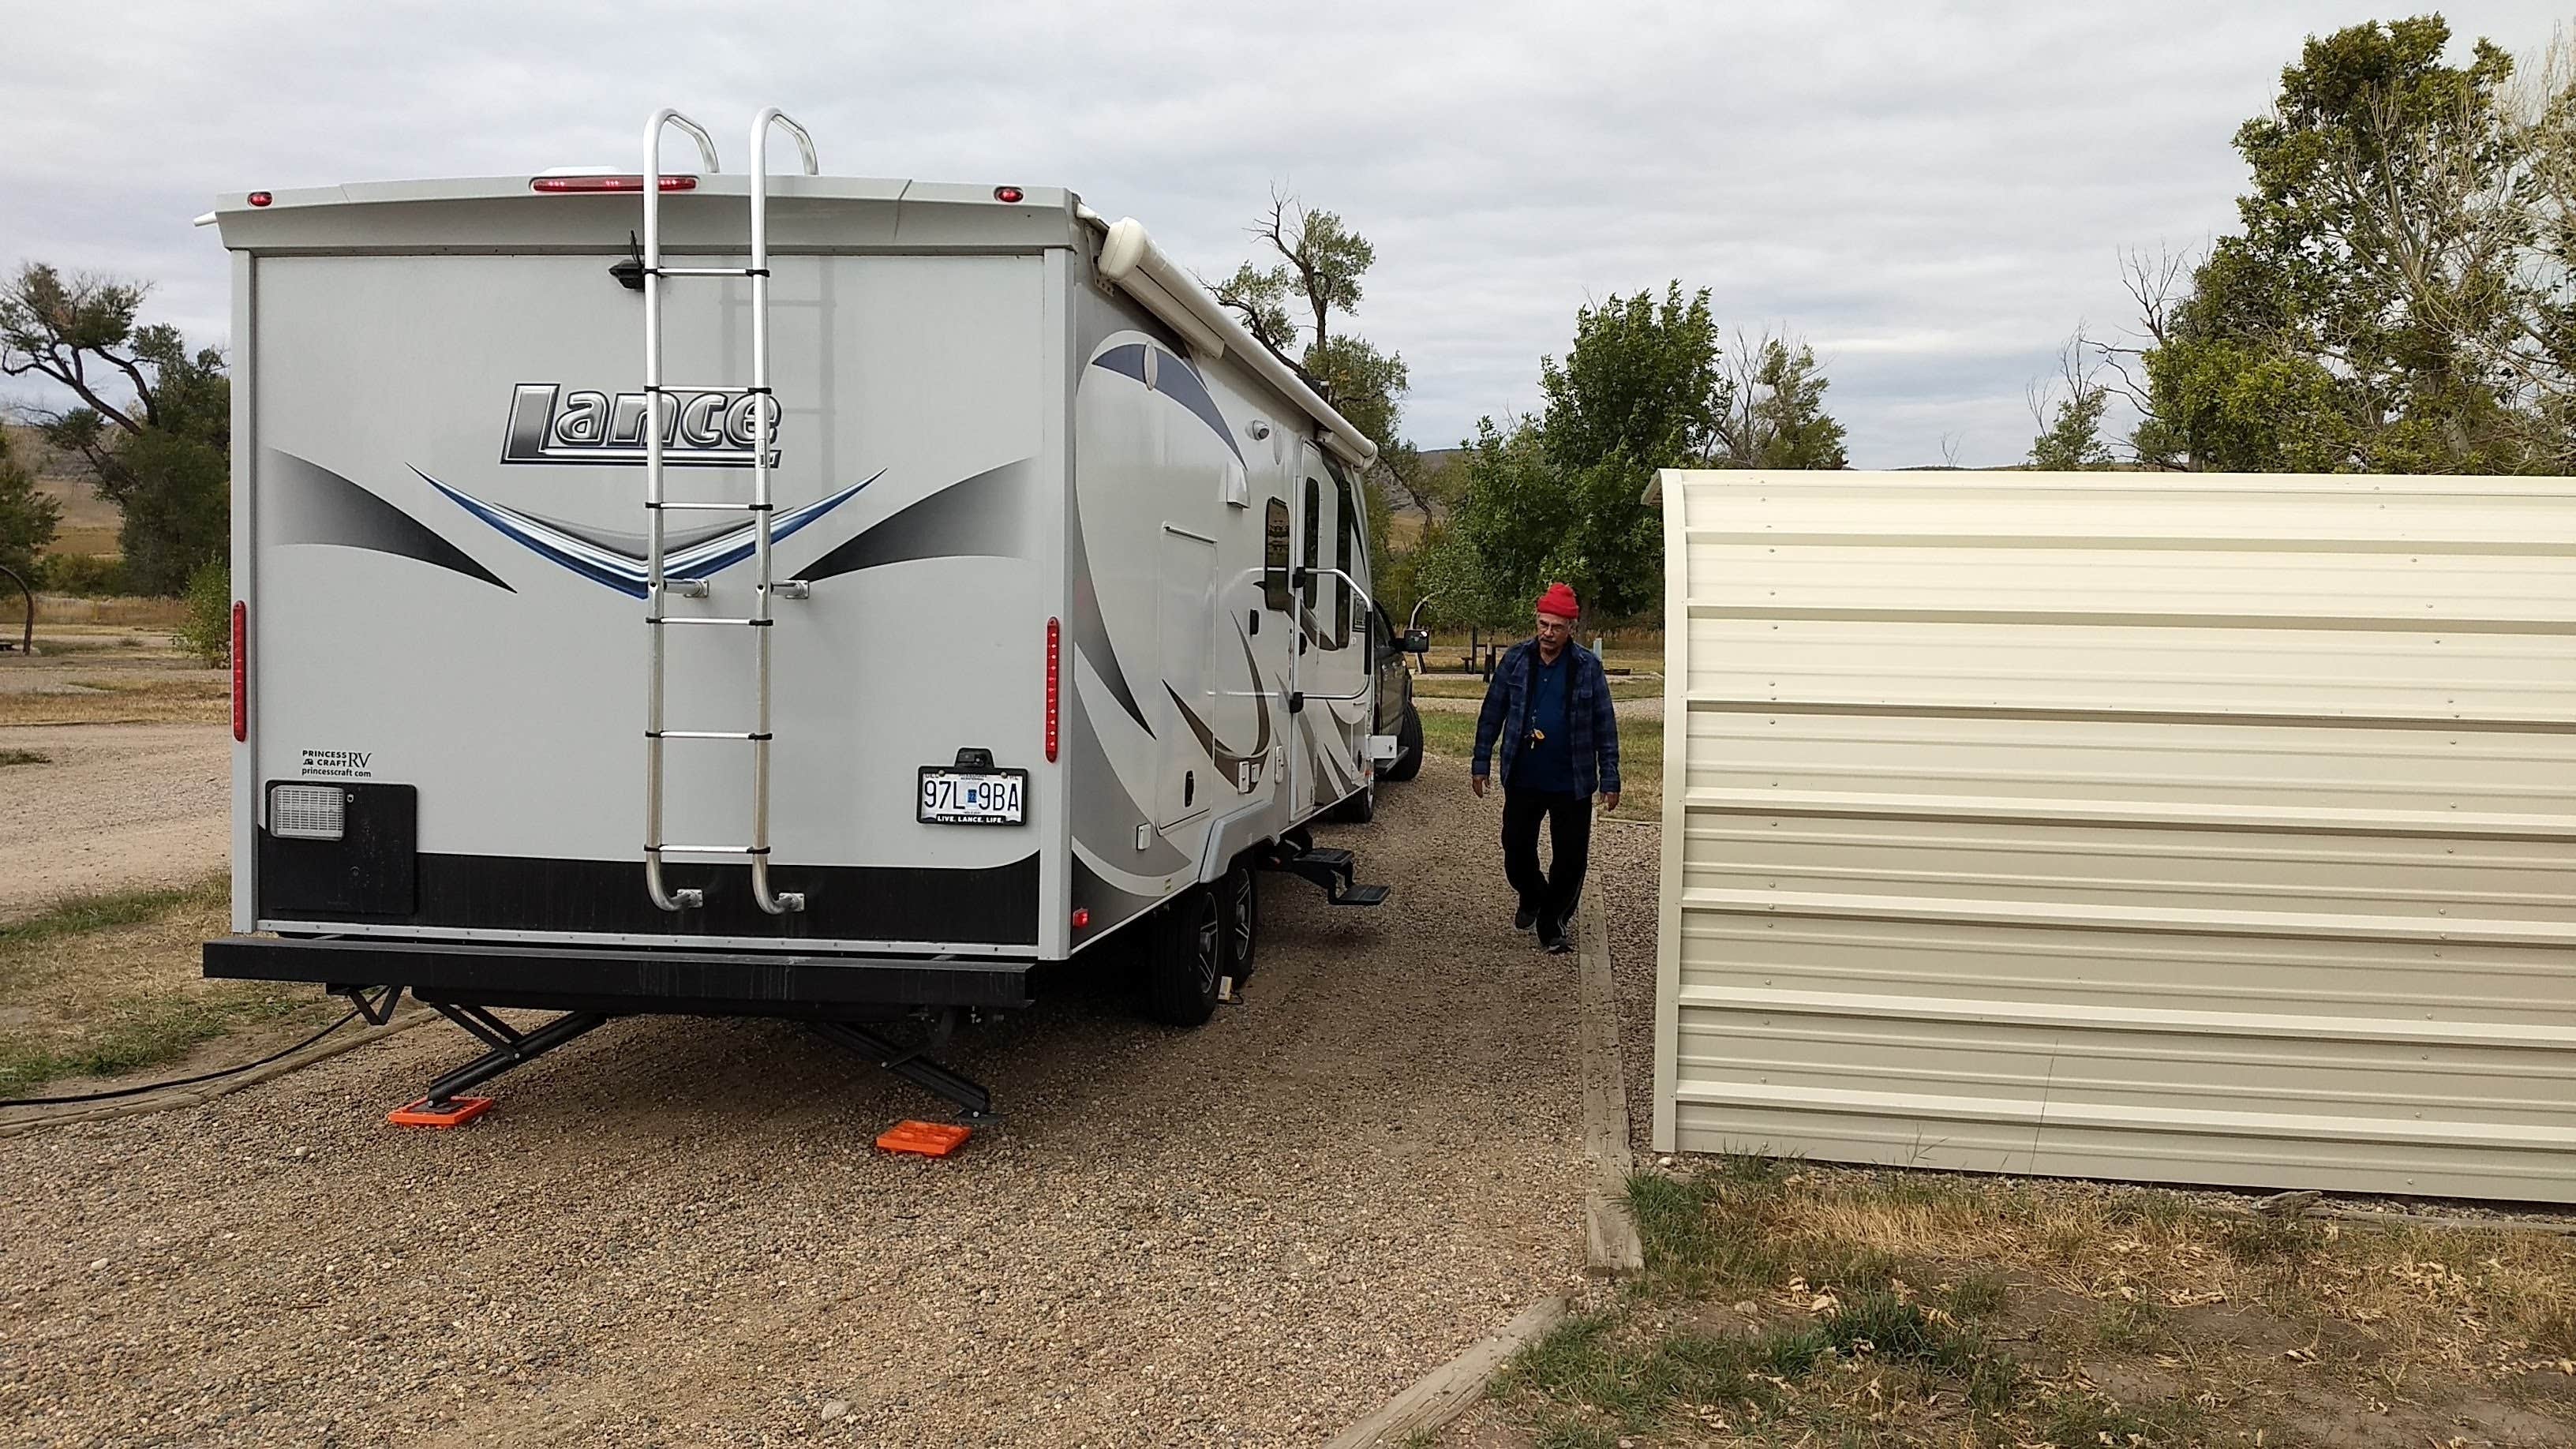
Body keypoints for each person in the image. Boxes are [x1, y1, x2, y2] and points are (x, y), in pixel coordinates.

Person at [1470, 583, 1619, 954]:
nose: (1547, 634)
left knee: (1571, 858)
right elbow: (1493, 712)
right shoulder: (1517, 660)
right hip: (1524, 774)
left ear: (1571, 627)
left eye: (1555, 627)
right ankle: (1533, 894)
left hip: (1573, 778)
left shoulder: (1588, 667)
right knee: (1516, 848)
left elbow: (1605, 723)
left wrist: (1610, 776)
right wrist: (1480, 761)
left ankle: (1553, 923)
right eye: (1542, 625)